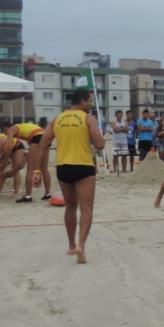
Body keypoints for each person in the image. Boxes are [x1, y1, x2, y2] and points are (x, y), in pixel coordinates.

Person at [40, 89, 105, 264]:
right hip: (83, 166)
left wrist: (39, 170)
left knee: (70, 207)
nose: (91, 104)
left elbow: (44, 142)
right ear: (83, 101)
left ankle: (71, 245)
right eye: (90, 101)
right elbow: (100, 144)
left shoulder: (57, 119)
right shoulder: (88, 118)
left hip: (63, 167)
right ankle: (81, 246)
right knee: (86, 208)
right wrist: (89, 138)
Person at [5, 121, 52, 203]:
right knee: (44, 168)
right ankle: (47, 194)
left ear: (5, 128)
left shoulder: (10, 130)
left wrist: (5, 159)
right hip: (45, 136)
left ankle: (28, 195)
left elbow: (9, 146)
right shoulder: (24, 128)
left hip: (37, 137)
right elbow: (31, 143)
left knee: (30, 168)